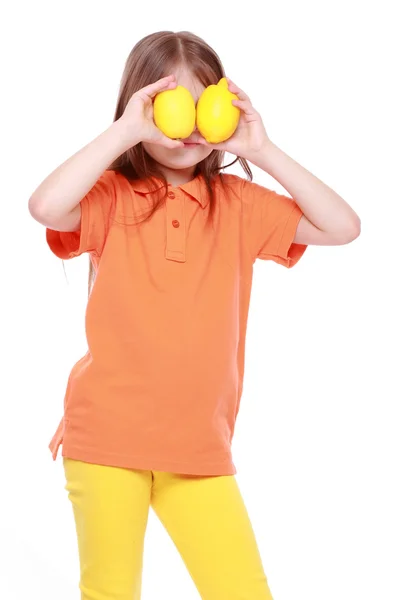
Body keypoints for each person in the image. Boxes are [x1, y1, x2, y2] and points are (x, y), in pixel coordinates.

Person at [29, 30, 360, 600]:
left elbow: (343, 227)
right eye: (168, 105)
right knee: (109, 591)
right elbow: (45, 206)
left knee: (242, 591)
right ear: (141, 108)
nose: (188, 127)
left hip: (198, 447)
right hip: (106, 437)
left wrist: (261, 151)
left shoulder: (239, 204)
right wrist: (123, 133)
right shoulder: (111, 195)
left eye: (203, 103)